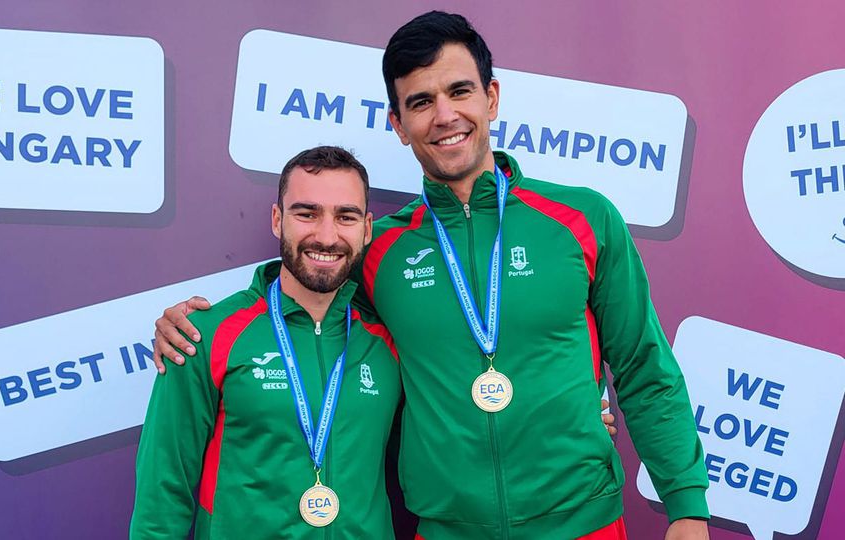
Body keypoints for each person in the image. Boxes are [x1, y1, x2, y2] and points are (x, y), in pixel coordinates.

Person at [152, 12, 705, 540]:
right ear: (398, 124)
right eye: (420, 102)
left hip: (584, 524)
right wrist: (189, 328)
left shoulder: (582, 220)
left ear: (491, 98)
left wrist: (684, 502)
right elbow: (303, 309)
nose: (444, 116)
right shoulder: (379, 250)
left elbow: (642, 366)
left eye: (460, 91)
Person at [130, 146, 402, 538]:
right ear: (277, 220)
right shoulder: (204, 335)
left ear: (366, 228)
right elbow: (162, 491)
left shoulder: (387, 342)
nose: (326, 236)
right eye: (306, 213)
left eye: (345, 216)